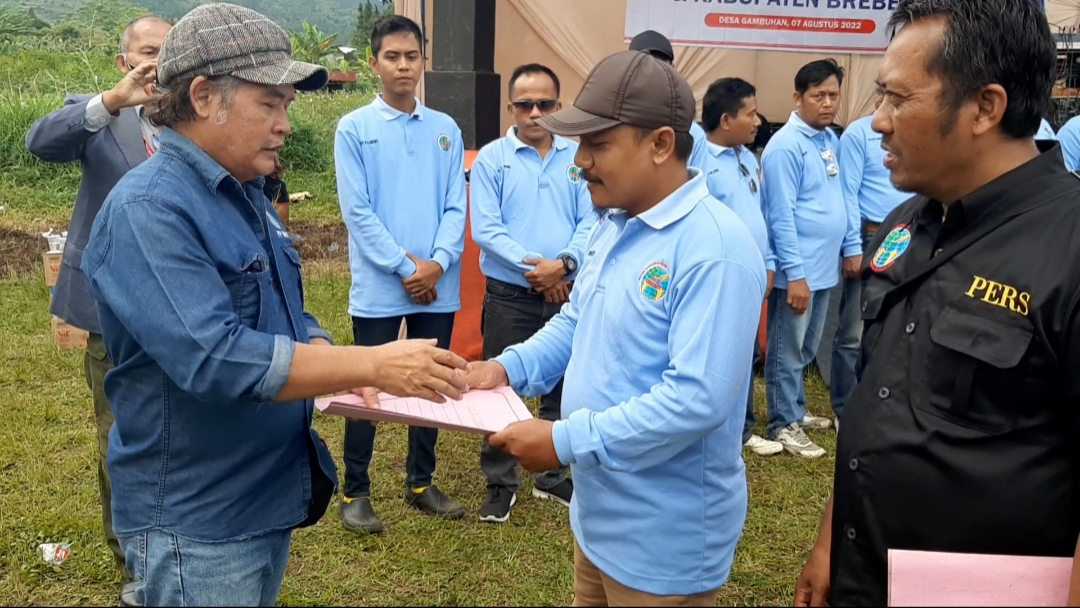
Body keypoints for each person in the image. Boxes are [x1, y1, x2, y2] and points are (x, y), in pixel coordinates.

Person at [80, 5, 468, 606]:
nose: (285, 124)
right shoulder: (151, 209)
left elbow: (282, 311)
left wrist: (324, 354)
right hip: (198, 517)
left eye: (286, 105)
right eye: (270, 103)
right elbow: (216, 357)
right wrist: (370, 364)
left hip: (259, 497)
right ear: (205, 97)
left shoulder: (247, 192)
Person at [793, 1, 1080, 606]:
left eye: (898, 99)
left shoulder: (1069, 247)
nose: (877, 123)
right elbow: (878, 403)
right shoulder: (906, 223)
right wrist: (828, 542)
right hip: (864, 574)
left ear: (984, 107)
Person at [467, 49, 766, 606]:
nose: (579, 160)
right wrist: (504, 368)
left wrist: (563, 440)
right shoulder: (615, 224)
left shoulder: (714, 250)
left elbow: (696, 400)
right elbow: (576, 321)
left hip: (663, 539)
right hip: (599, 514)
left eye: (598, 144)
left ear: (659, 145)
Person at [24, 14, 171, 607]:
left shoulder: (202, 113)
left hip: (185, 308)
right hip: (112, 308)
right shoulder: (98, 114)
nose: (158, 64)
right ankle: (132, 560)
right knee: (121, 435)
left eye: (169, 51)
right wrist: (112, 101)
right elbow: (40, 143)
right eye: (147, 53)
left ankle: (176, 543)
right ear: (124, 62)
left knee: (180, 434)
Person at [334, 14, 469, 534]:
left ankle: (420, 482)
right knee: (366, 385)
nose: (403, 65)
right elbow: (358, 212)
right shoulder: (355, 128)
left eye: (412, 55)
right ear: (374, 64)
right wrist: (406, 266)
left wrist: (437, 263)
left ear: (424, 60)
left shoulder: (445, 129)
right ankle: (356, 490)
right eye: (392, 56)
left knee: (431, 383)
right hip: (380, 287)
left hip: (438, 284)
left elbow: (457, 205)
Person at [470, 63, 594, 523]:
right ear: (511, 108)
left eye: (545, 104)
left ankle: (551, 472)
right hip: (511, 293)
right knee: (500, 384)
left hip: (567, 287)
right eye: (525, 104)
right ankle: (500, 481)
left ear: (559, 107)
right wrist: (538, 271)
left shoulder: (578, 157)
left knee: (564, 381)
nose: (535, 112)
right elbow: (487, 230)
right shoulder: (492, 159)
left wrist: (564, 265)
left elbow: (591, 220)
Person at [761, 59, 858, 458]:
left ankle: (796, 409)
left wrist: (848, 245)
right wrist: (795, 275)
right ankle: (783, 423)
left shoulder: (828, 140)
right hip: (796, 273)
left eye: (834, 95)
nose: (828, 103)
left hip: (823, 269)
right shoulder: (785, 147)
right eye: (818, 95)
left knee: (804, 348)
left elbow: (839, 198)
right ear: (798, 97)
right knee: (787, 347)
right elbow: (780, 216)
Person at [700, 76, 782, 457]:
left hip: (752, 273)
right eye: (750, 113)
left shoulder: (748, 158)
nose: (758, 121)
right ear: (726, 120)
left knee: (746, 350)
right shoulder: (697, 158)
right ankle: (716, 423)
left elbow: (760, 214)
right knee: (718, 349)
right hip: (718, 275)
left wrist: (768, 263)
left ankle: (742, 428)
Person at [830, 95, 910, 431]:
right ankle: (845, 407)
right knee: (854, 328)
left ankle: (885, 402)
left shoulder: (912, 133)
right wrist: (852, 246)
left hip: (912, 234)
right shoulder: (858, 135)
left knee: (901, 324)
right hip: (870, 235)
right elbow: (847, 192)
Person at [627, 30, 709, 170]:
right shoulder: (614, 123)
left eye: (662, 65)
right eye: (646, 65)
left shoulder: (693, 133)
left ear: (673, 69)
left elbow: (696, 188)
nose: (655, 72)